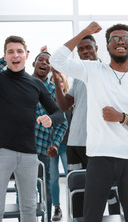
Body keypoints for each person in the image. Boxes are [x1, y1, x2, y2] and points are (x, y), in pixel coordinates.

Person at [50, 21, 128, 222]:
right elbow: (56, 60)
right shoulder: (93, 70)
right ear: (107, 46)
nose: (120, 42)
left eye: (125, 38)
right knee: (92, 216)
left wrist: (122, 118)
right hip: (99, 158)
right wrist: (84, 32)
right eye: (114, 39)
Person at [53, 35, 120, 218]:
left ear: (96, 48)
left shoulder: (107, 71)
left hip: (100, 143)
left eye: (88, 47)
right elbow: (64, 105)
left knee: (108, 190)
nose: (85, 52)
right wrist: (56, 79)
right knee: (77, 190)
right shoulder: (78, 76)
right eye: (81, 50)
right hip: (76, 142)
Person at [0, 35, 64, 221]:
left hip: (29, 153)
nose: (15, 55)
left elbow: (58, 113)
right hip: (2, 151)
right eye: (10, 51)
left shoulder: (36, 84)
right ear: (4, 56)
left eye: (19, 51)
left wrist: (50, 119)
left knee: (29, 207)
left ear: (27, 55)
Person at [32, 51, 69, 222]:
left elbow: (63, 122)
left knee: (46, 188)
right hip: (20, 147)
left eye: (48, 61)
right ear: (33, 63)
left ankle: (47, 217)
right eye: (41, 59)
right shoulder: (21, 84)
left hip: (43, 149)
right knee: (24, 190)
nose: (44, 63)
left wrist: (55, 144)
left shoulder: (55, 91)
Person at [50, 71, 72, 221]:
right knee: (53, 178)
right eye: (53, 82)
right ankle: (57, 208)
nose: (57, 84)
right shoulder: (46, 102)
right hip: (50, 147)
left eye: (60, 81)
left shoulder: (70, 102)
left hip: (65, 145)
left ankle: (73, 205)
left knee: (71, 177)